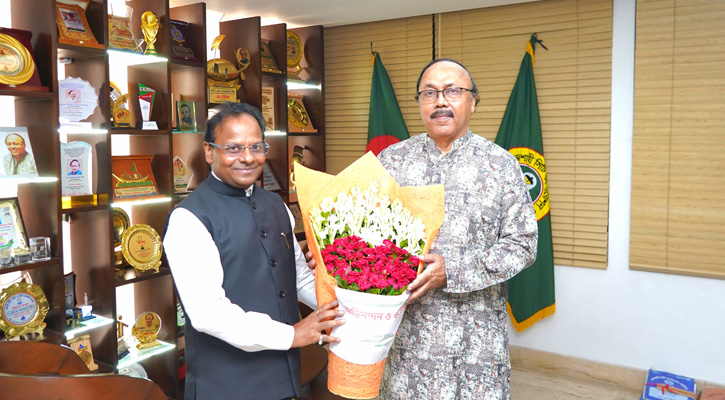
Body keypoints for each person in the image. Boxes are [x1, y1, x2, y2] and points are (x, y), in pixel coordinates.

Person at [376, 59, 538, 399]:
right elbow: (369, 234)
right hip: (409, 341)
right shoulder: (392, 161)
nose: (440, 101)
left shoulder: (501, 165)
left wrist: (453, 270)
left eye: (452, 91)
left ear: (473, 102)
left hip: (475, 344)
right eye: (429, 93)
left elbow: (523, 244)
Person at [164, 102, 345, 400]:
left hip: (285, 377)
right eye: (233, 148)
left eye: (257, 147)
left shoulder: (278, 206)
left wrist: (356, 303)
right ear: (209, 151)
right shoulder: (189, 219)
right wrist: (292, 335)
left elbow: (298, 280)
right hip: (227, 386)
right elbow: (208, 313)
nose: (247, 158)